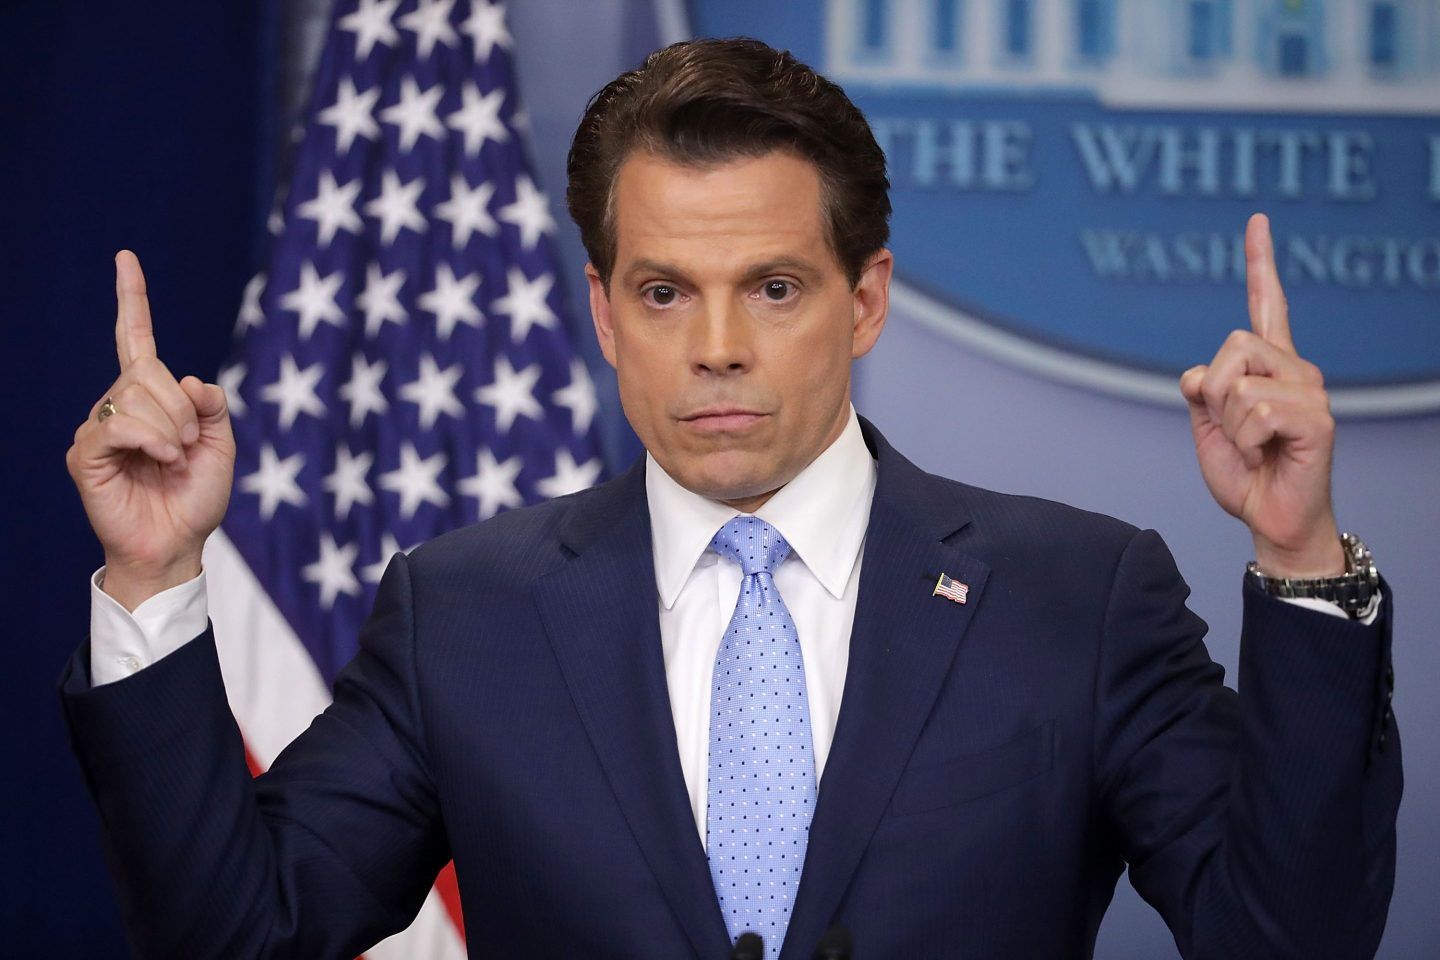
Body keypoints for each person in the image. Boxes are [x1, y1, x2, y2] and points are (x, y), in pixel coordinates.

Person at [61, 38, 1399, 960]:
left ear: (863, 298)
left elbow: (1288, 938)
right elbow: (242, 933)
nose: (715, 346)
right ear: (602, 312)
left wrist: (1299, 558)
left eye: (772, 287)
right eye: (663, 292)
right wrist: (154, 584)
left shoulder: (1080, 595)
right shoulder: (464, 609)